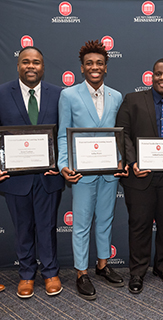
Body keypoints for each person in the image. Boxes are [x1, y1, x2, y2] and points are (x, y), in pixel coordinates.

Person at [58, 40, 124, 300]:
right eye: (89, 63)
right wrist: (64, 164)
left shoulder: (116, 96)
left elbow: (117, 135)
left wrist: (119, 159)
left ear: (106, 67)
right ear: (82, 68)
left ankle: (102, 265)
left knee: (105, 220)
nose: (94, 67)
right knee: (82, 224)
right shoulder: (69, 95)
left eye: (99, 63)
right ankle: (81, 273)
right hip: (81, 172)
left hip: (109, 172)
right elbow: (64, 134)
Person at [116, 58, 163, 294]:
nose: (162, 78)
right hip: (140, 175)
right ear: (151, 76)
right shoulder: (133, 99)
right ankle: (137, 272)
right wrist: (133, 161)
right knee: (139, 226)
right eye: (158, 74)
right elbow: (122, 132)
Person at [0, 46, 64, 298]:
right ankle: (26, 274)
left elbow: (64, 133)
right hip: (16, 178)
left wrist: (60, 162)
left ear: (43, 67)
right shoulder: (2, 93)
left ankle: (50, 273)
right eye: (25, 62)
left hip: (49, 176)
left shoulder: (59, 94)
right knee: (23, 227)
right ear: (18, 65)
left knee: (47, 226)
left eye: (36, 62)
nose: (31, 66)